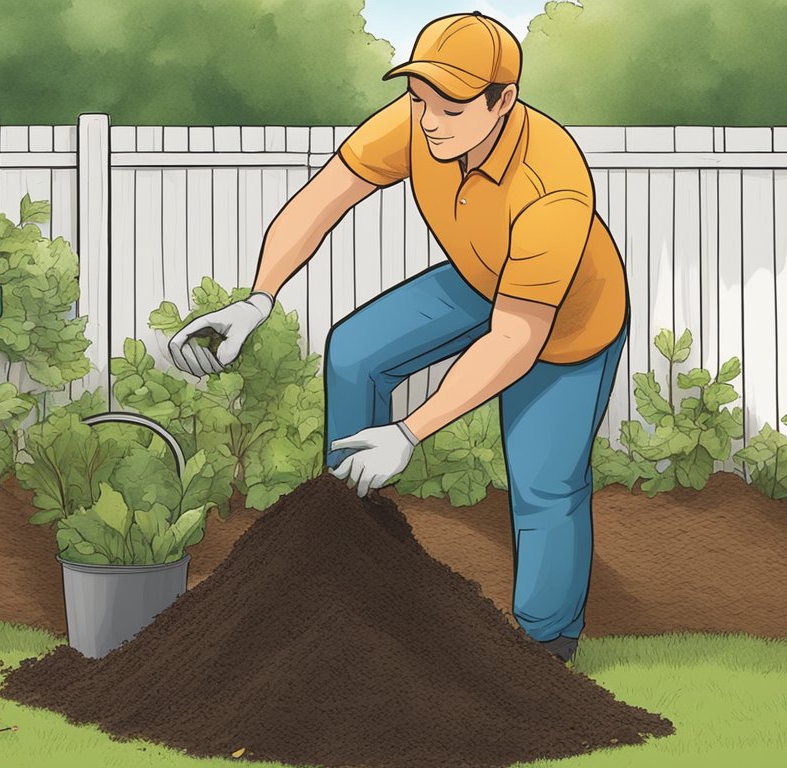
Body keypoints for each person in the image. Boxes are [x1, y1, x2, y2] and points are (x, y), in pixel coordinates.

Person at [165, 12, 629, 664]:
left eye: (450, 105)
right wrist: (255, 301)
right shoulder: (416, 123)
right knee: (355, 350)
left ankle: (544, 653)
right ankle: (346, 568)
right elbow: (324, 196)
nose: (429, 119)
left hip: (565, 323)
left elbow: (517, 339)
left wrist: (409, 432)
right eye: (419, 99)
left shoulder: (549, 186)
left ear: (503, 101)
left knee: (545, 485)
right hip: (479, 277)